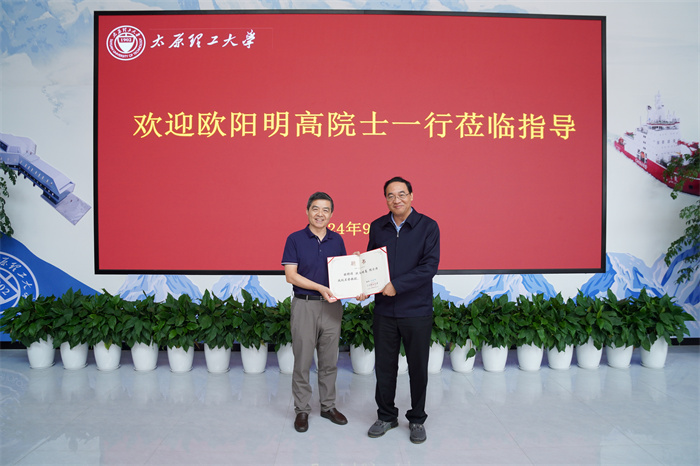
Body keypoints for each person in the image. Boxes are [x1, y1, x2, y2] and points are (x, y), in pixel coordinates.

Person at [363, 176, 440, 444]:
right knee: (384, 367)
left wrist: (397, 285)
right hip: (384, 310)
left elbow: (429, 267)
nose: (396, 199)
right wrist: (363, 283)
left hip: (416, 310)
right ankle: (386, 416)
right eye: (390, 195)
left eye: (401, 194)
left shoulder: (428, 226)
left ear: (411, 196)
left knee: (418, 368)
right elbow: (371, 264)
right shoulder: (378, 226)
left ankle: (417, 418)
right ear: (385, 199)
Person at [281, 192, 348, 433]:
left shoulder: (337, 240)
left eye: (325, 210)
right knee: (302, 361)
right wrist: (319, 287)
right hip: (305, 305)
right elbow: (291, 276)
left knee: (329, 361)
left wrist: (357, 270)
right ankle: (302, 409)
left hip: (331, 307)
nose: (320, 214)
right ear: (308, 211)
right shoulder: (295, 239)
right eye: (316, 209)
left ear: (331, 214)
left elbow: (343, 275)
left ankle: (328, 406)